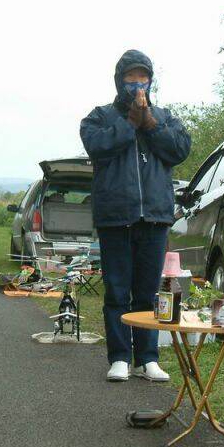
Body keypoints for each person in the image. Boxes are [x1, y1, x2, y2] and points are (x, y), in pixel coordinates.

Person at [80, 50, 191, 382]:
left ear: (150, 81)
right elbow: (97, 146)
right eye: (131, 77)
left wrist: (151, 123)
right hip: (115, 217)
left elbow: (180, 150)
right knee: (117, 291)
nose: (137, 83)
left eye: (142, 77)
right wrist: (130, 121)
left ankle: (147, 359)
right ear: (119, 80)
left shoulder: (166, 117)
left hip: (155, 217)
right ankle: (119, 358)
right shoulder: (99, 117)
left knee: (148, 292)